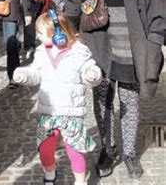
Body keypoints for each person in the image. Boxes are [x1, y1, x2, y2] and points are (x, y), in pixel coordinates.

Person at [65, 0, 165, 179]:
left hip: (131, 51)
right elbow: (72, 5)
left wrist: (155, 40)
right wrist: (71, 38)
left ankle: (130, 153)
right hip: (98, 50)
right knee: (103, 104)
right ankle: (108, 150)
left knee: (130, 104)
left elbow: (158, 5)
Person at [13, 10, 102, 185]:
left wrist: (93, 74)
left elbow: (89, 69)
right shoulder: (41, 52)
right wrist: (24, 74)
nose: (37, 37)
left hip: (71, 113)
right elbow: (35, 73)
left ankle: (80, 181)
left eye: (40, 33)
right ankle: (50, 174)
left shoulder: (79, 52)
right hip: (49, 111)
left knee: (74, 150)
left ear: (57, 34)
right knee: (45, 150)